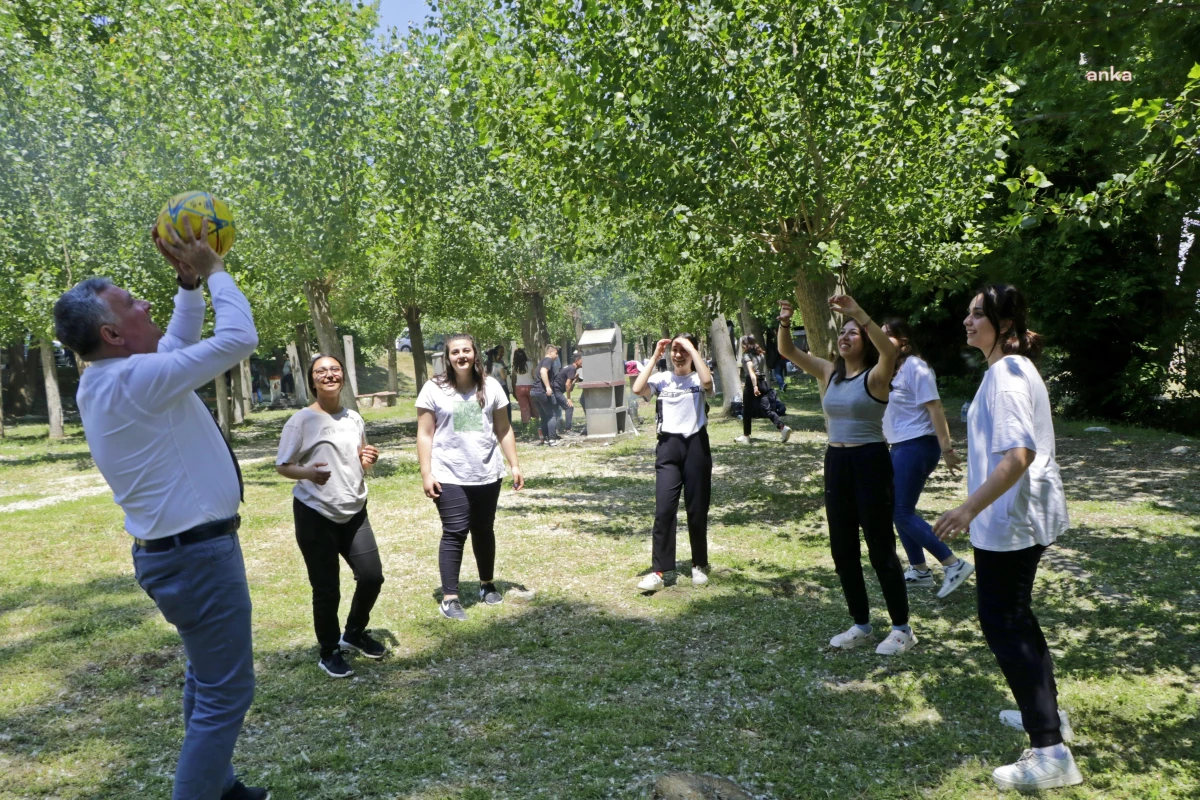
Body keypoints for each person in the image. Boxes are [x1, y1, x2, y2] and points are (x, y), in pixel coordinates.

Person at [53, 220, 267, 800]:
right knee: (227, 693)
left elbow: (171, 344)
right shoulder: (137, 381)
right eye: (129, 303)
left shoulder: (112, 377)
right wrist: (218, 273)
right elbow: (239, 339)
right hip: (197, 559)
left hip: (178, 555)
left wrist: (188, 286)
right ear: (112, 333)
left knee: (207, 675)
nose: (144, 302)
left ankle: (220, 788)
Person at [933, 285, 1080, 791]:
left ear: (1005, 324)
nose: (968, 321)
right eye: (968, 313)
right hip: (1011, 518)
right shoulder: (1007, 370)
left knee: (1004, 623)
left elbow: (1018, 456)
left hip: (1010, 520)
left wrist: (967, 509)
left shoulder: (1008, 374)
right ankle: (1048, 719)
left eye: (979, 314)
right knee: (1015, 617)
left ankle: (1050, 753)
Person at [777, 295, 915, 656]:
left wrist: (859, 314)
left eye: (854, 333)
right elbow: (788, 350)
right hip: (836, 464)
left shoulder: (878, 374)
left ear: (866, 341)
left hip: (870, 462)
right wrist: (785, 319)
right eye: (844, 332)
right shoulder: (829, 372)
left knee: (881, 549)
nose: (846, 336)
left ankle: (902, 629)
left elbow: (889, 351)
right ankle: (861, 623)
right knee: (843, 551)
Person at [275, 354, 386, 679]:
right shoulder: (301, 421)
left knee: (371, 577)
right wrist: (307, 473)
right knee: (326, 589)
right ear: (312, 381)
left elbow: (360, 457)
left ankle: (352, 633)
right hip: (315, 514)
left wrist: (368, 458)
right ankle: (329, 651)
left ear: (343, 377)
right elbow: (283, 465)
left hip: (353, 509)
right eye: (321, 371)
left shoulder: (353, 418)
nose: (329, 375)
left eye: (334, 370)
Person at [416, 334, 524, 621]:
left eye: (466, 350)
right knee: (455, 530)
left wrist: (514, 464)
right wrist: (426, 473)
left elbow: (503, 429)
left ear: (475, 354)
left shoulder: (492, 387)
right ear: (448, 357)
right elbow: (425, 434)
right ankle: (450, 598)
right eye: (455, 352)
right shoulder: (433, 389)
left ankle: (486, 584)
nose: (461, 356)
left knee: (484, 528)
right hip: (448, 472)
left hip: (487, 472)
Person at [880, 318, 973, 598]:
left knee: (900, 511)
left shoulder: (915, 368)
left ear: (904, 341)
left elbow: (935, 407)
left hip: (917, 445)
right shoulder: (891, 368)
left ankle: (953, 564)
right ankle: (920, 570)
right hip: (901, 446)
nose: (879, 339)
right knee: (899, 510)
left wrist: (947, 449)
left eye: (887, 335)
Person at [631, 334, 715, 591]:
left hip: (696, 446)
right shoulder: (661, 379)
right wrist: (656, 356)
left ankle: (698, 564)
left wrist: (692, 347)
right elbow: (637, 389)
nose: (678, 355)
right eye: (675, 350)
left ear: (692, 352)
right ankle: (658, 571)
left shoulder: (698, 379)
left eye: (683, 351)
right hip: (668, 448)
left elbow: (708, 382)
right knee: (664, 510)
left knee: (697, 509)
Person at [734, 334, 792, 444]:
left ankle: (746, 436)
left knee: (746, 409)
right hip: (762, 381)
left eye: (742, 343)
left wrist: (754, 386)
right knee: (767, 409)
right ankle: (782, 427)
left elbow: (752, 372)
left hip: (752, 383)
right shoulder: (760, 354)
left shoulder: (747, 355)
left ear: (745, 344)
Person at [530, 343, 561, 445]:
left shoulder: (542, 361)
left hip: (534, 392)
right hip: (541, 391)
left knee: (544, 415)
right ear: (550, 352)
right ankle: (552, 439)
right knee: (552, 415)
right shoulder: (548, 360)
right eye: (556, 353)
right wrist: (548, 387)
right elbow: (543, 372)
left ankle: (545, 438)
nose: (557, 356)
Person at [551, 350, 583, 436]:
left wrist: (575, 380)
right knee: (569, 407)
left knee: (556, 411)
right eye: (582, 360)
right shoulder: (572, 368)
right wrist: (569, 399)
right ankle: (568, 430)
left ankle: (558, 429)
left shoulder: (570, 368)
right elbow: (567, 384)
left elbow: (570, 387)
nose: (583, 362)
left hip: (555, 390)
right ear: (576, 361)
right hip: (556, 390)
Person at [511, 348, 538, 428]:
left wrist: (513, 390)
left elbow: (513, 379)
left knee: (524, 407)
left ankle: (526, 424)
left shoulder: (515, 367)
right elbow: (534, 375)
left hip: (519, 387)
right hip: (530, 386)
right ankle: (537, 422)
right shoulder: (530, 364)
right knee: (534, 405)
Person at [485, 345, 512, 424]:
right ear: (495, 356)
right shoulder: (499, 365)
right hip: (501, 387)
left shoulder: (486, 366)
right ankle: (508, 424)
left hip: (489, 388)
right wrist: (506, 373)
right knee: (506, 407)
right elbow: (503, 377)